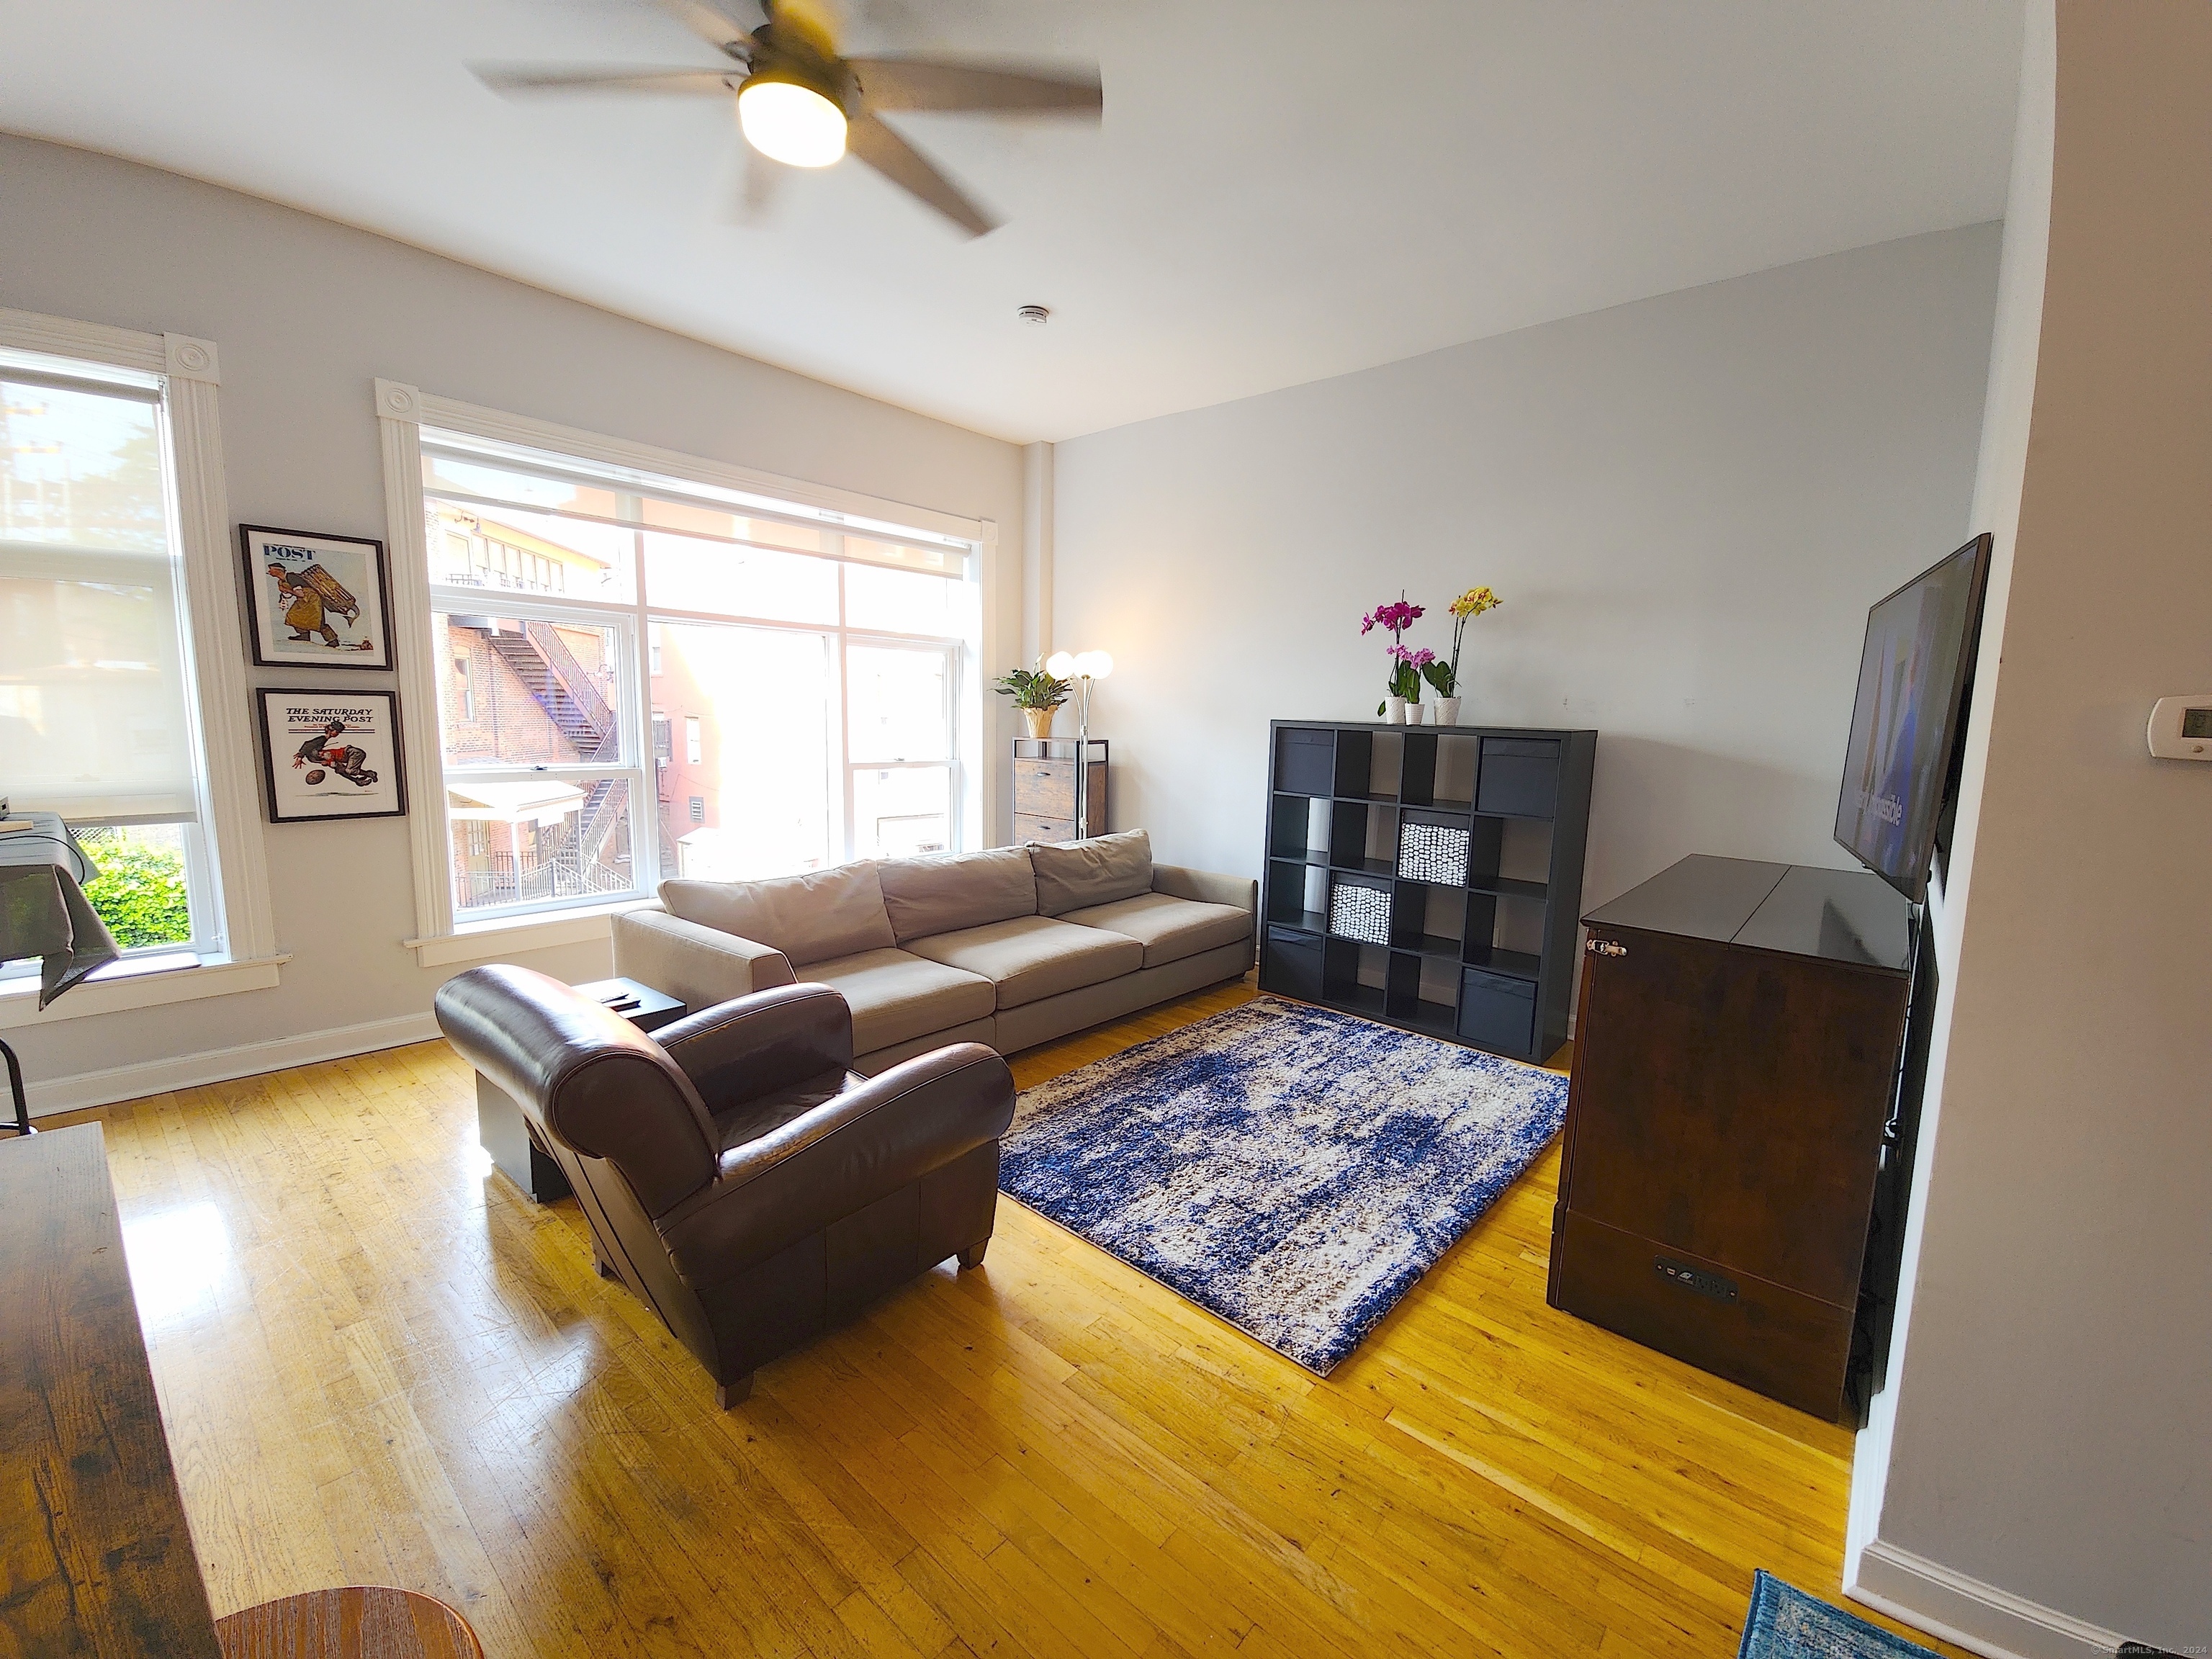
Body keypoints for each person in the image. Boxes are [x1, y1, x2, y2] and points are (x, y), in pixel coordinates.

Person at [267, 562, 362, 649]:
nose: (269, 571)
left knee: (316, 621)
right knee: (293, 616)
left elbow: (301, 593)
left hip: (312, 599)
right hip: (302, 600)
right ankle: (304, 636)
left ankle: (333, 640)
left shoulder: (292, 577)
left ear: (278, 570)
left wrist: (287, 590)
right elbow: (289, 595)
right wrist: (284, 591)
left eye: (271, 569)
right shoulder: (281, 581)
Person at [292, 720, 378, 788]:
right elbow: (307, 744)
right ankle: (364, 777)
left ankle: (363, 778)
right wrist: (300, 757)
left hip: (350, 753)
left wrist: (301, 755)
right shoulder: (322, 739)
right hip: (349, 754)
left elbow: (308, 746)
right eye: (337, 732)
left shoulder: (324, 751)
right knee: (342, 770)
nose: (337, 734)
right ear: (331, 731)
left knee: (346, 770)